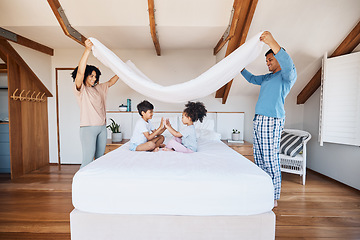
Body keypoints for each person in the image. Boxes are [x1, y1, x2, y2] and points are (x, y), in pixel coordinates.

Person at [241, 31, 297, 207]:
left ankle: (273, 196)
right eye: (266, 61)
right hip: (259, 120)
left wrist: (271, 42)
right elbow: (251, 78)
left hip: (271, 120)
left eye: (270, 60)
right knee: (259, 157)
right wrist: (239, 67)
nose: (267, 63)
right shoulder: (268, 78)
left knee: (270, 158)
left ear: (279, 60)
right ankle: (262, 190)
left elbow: (288, 63)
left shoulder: (287, 76)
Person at [72, 39, 119, 168]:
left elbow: (111, 82)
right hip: (88, 128)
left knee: (100, 159)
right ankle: (81, 185)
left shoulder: (98, 88)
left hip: (102, 128)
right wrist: (87, 50)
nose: (94, 79)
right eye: (91, 76)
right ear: (86, 76)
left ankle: (96, 183)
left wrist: (123, 70)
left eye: (95, 77)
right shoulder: (81, 89)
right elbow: (80, 72)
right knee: (88, 159)